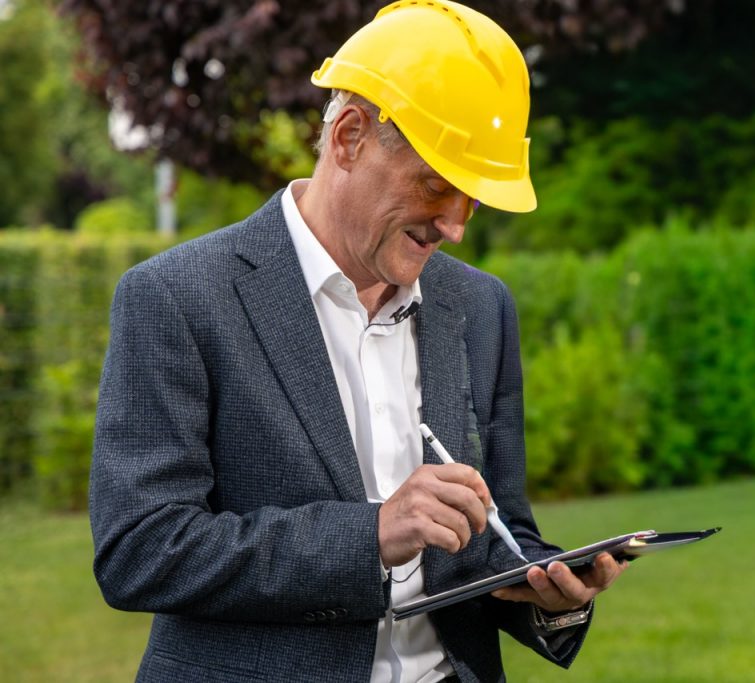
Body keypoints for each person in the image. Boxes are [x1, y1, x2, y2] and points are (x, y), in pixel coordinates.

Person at [89, 2, 625, 681]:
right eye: (437, 186)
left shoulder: (481, 307)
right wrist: (370, 535)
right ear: (349, 137)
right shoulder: (177, 297)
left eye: (473, 198)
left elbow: (499, 531)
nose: (456, 226)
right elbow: (140, 548)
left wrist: (549, 593)